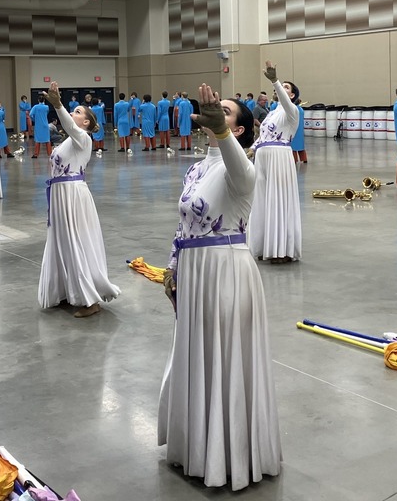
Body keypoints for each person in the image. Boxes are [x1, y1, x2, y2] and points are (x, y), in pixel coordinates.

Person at [159, 83, 281, 490]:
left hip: (226, 272)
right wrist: (172, 267)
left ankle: (231, 456)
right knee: (199, 355)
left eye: (227, 112)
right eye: (216, 110)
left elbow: (241, 174)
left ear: (240, 129)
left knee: (226, 357)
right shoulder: (195, 168)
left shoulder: (243, 168)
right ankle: (197, 447)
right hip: (194, 273)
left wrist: (223, 134)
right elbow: (184, 225)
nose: (216, 112)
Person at [37, 82, 119, 317]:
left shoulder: (83, 137)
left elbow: (69, 126)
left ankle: (90, 300)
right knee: (62, 241)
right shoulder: (69, 140)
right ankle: (65, 290)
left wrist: (59, 105)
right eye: (74, 110)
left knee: (76, 242)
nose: (74, 113)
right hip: (60, 194)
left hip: (72, 195)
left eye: (79, 112)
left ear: (86, 123)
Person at [248, 61, 302, 263]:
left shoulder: (292, 110)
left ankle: (281, 250)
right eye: (282, 87)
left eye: (287, 88)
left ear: (292, 95)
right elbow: (263, 135)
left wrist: (275, 81)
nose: (281, 89)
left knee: (278, 200)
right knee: (262, 201)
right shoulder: (272, 112)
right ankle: (264, 246)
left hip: (279, 158)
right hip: (262, 159)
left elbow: (285, 102)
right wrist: (252, 149)